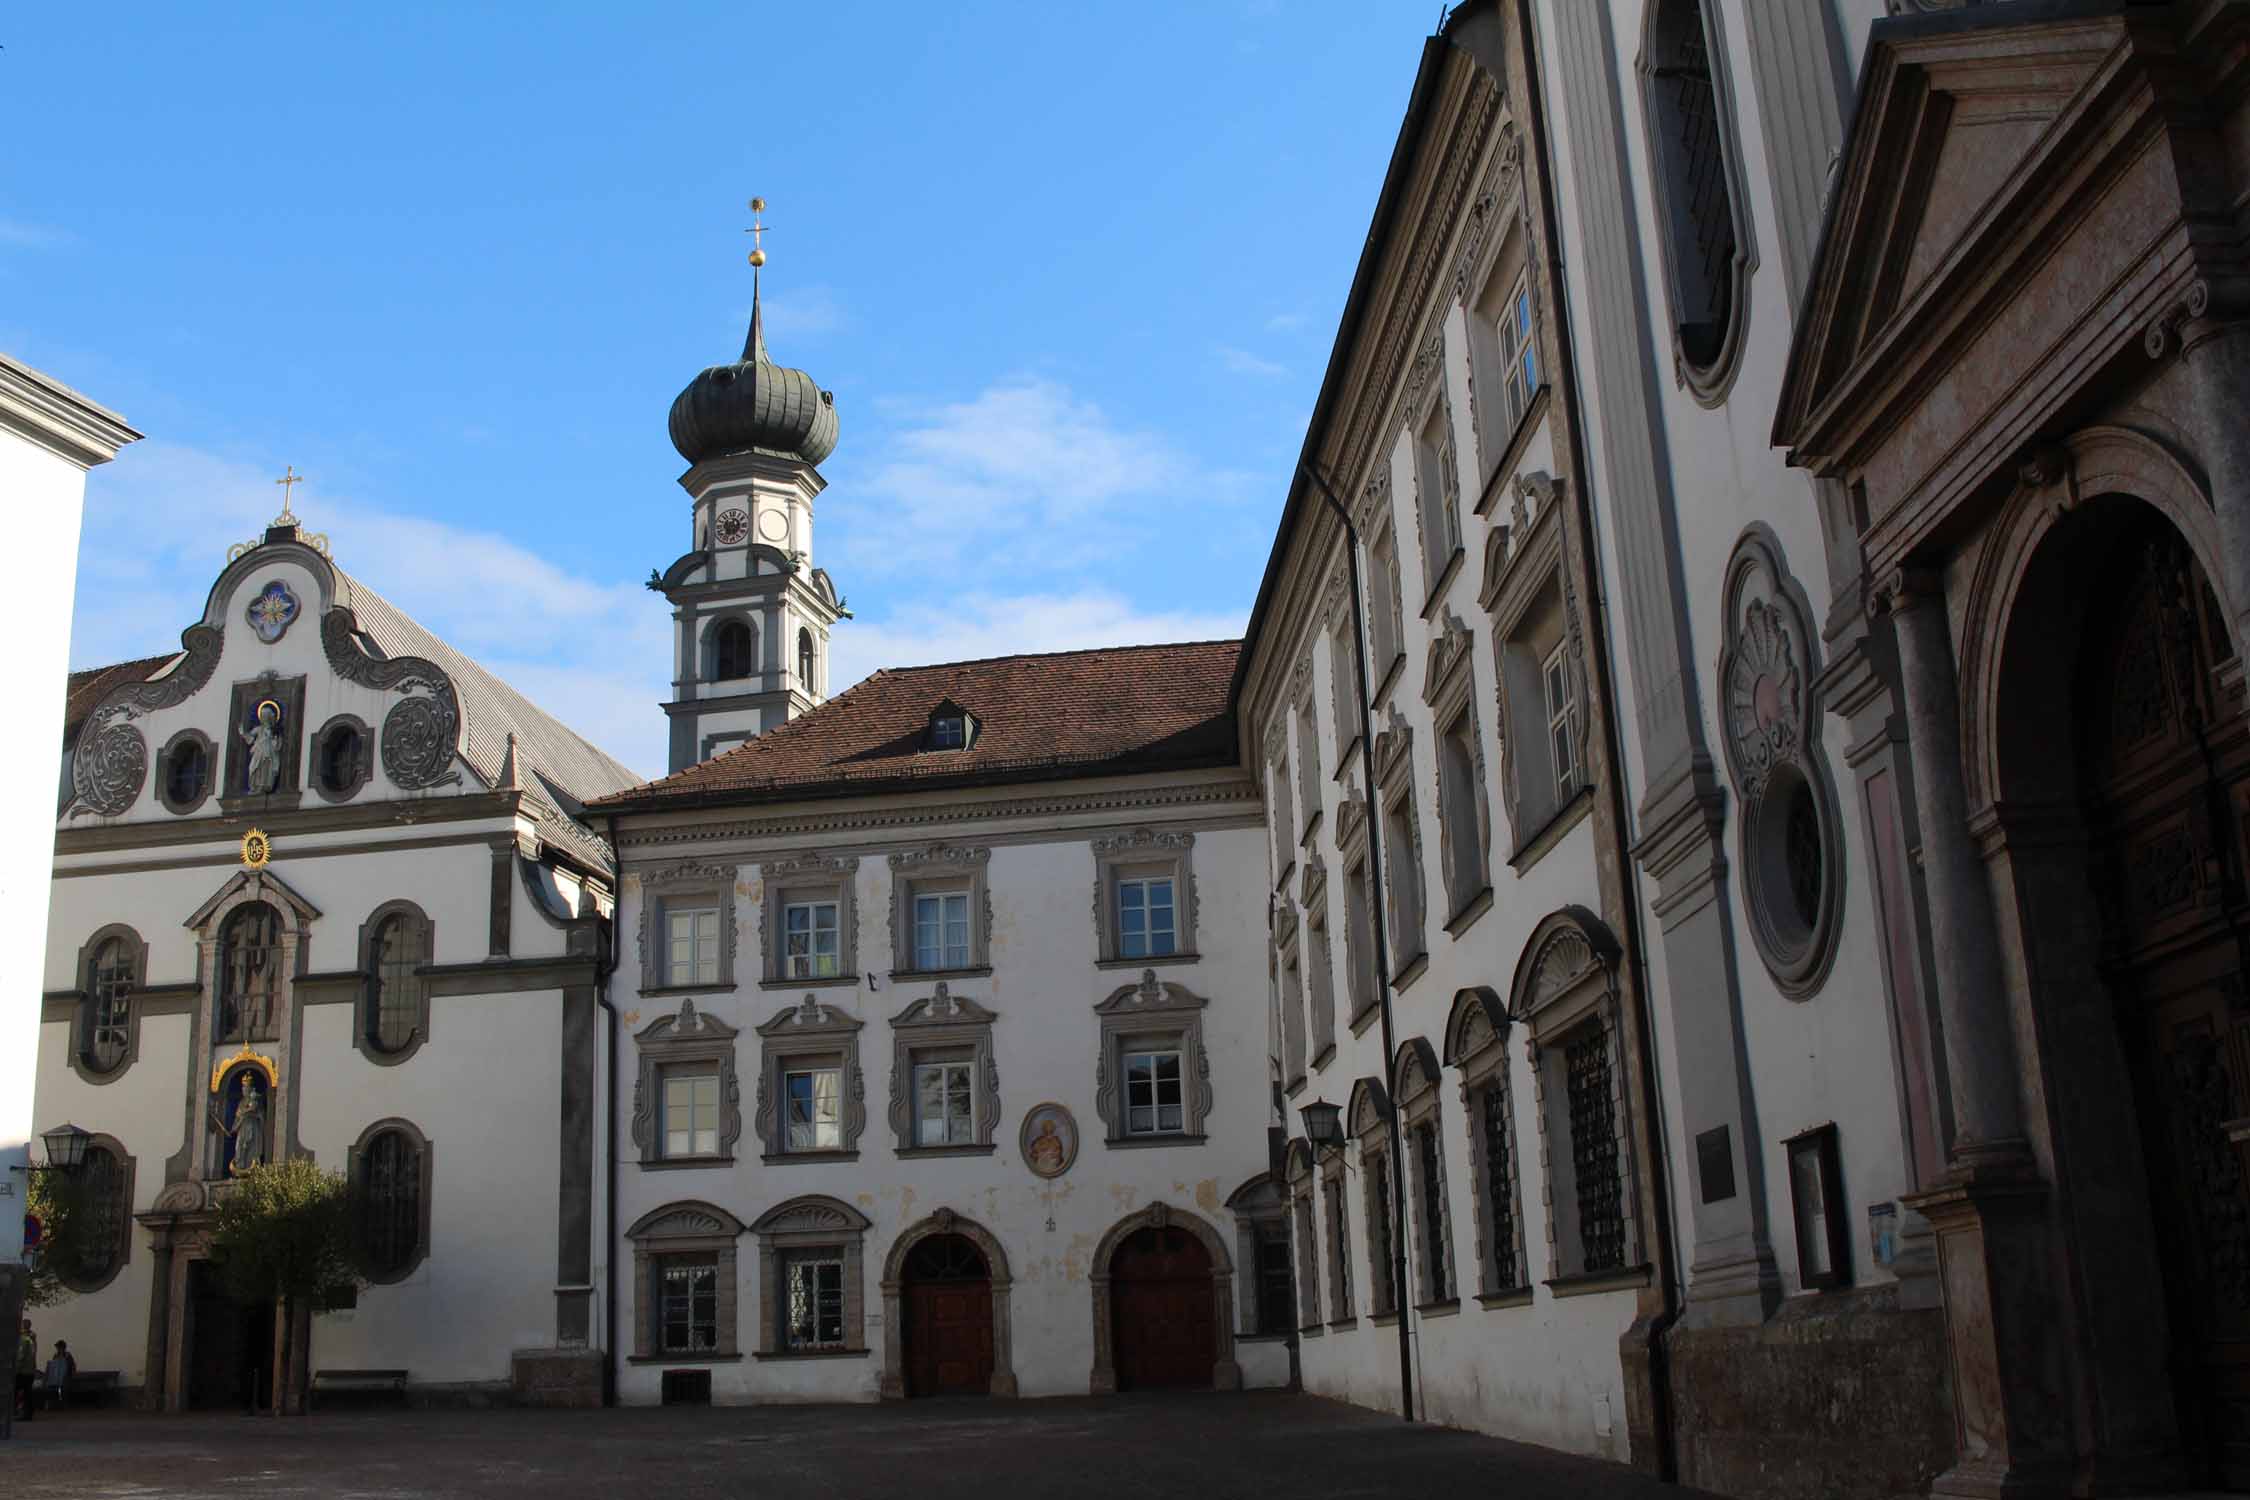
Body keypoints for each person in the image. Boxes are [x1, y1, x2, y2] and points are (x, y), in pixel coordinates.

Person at [14, 1317, 36, 1423]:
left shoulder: (24, 1338)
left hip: (22, 1371)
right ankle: (28, 1414)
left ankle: (16, 1412)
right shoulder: (32, 1338)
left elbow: (21, 1355)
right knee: (28, 1392)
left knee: (15, 1390)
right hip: (30, 1370)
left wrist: (16, 1369)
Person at [43, 1341, 74, 1412]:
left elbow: (71, 1367)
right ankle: (54, 1404)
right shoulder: (56, 1355)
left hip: (65, 1377)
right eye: (57, 1348)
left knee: (62, 1388)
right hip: (56, 1377)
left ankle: (63, 1404)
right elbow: (53, 1366)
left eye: (59, 1347)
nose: (58, 1349)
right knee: (51, 1387)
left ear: (63, 1348)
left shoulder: (68, 1356)